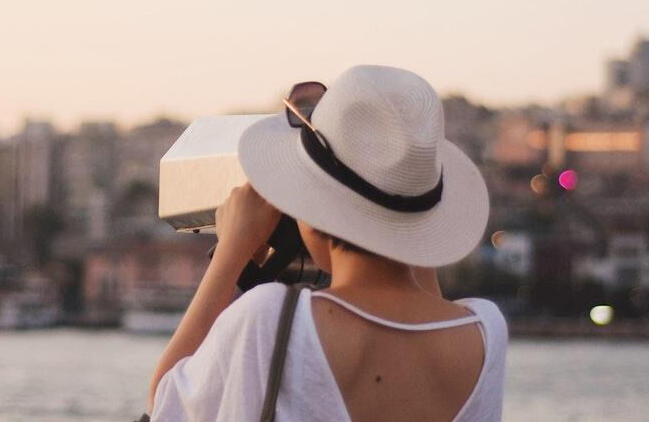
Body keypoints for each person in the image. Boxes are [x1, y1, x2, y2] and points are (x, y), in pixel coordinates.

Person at [147, 65, 507, 421]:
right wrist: (404, 215)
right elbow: (424, 302)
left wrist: (232, 250)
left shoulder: (269, 318)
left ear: (316, 215)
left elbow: (165, 404)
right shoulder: (485, 333)